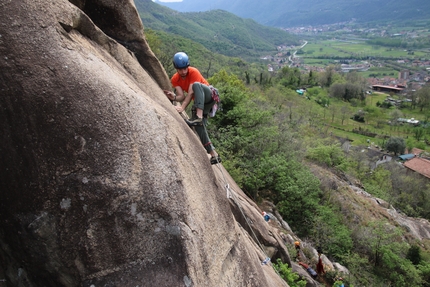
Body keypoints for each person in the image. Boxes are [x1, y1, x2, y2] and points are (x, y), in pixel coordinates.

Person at [164, 52, 221, 165]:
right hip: (201, 104)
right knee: (199, 126)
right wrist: (174, 97)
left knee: (196, 85)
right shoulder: (175, 79)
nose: (184, 71)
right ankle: (214, 154)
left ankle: (198, 117)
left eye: (185, 68)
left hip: (209, 97)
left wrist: (182, 107)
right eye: (180, 69)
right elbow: (182, 96)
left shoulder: (193, 71)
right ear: (176, 68)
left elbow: (190, 92)